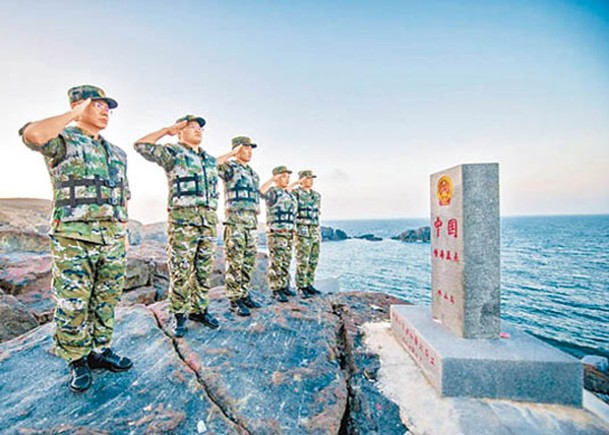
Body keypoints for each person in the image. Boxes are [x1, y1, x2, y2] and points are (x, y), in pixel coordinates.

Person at [19, 85, 132, 393]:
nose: (107, 110)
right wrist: (73, 114)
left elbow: (121, 195)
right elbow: (32, 135)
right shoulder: (63, 140)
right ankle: (76, 357)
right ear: (80, 105)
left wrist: (123, 231)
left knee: (106, 298)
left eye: (108, 105)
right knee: (73, 303)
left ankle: (99, 349)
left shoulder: (117, 153)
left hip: (111, 236)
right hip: (74, 237)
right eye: (99, 105)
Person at [133, 115, 220, 338]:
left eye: (200, 127)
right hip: (183, 223)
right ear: (181, 131)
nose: (197, 130)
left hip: (208, 222)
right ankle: (179, 314)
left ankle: (199, 310)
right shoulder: (173, 153)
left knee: (203, 269)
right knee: (181, 270)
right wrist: (168, 130)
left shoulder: (209, 159)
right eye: (191, 127)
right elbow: (141, 145)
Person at [217, 136, 263, 316]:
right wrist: (231, 154)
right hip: (235, 222)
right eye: (246, 148)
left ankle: (244, 294)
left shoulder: (253, 174)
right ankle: (234, 299)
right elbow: (213, 165)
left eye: (251, 148)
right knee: (234, 261)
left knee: (248, 261)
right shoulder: (229, 167)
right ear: (237, 149)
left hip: (251, 223)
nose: (250, 151)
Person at [260, 166, 297, 302]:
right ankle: (276, 289)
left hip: (288, 233)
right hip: (277, 233)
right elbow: (261, 191)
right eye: (283, 176)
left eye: (288, 176)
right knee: (276, 262)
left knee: (286, 261)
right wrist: (272, 179)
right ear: (276, 178)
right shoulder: (273, 192)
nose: (287, 179)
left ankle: (283, 286)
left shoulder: (289, 194)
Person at [290, 170, 322, 298]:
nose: (311, 180)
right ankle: (301, 286)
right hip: (302, 231)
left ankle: (309, 284)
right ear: (302, 180)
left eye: (312, 178)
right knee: (302, 260)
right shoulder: (295, 193)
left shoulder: (317, 195)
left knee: (313, 259)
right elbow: (285, 191)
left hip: (314, 230)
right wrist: (297, 182)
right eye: (308, 178)